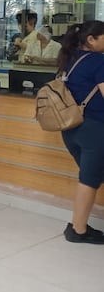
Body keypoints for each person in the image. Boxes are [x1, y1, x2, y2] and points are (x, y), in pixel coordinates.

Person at [56, 21, 104, 244]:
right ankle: (78, 229)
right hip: (94, 131)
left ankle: (79, 226)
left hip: (70, 130)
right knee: (89, 180)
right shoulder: (99, 61)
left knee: (92, 176)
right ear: (91, 39)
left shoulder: (70, 58)